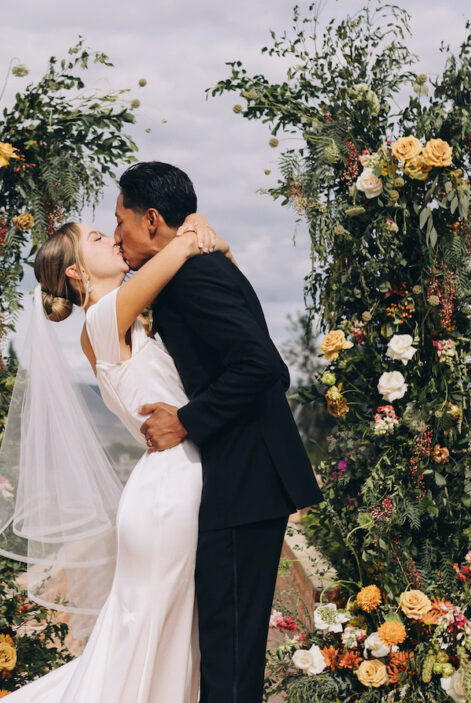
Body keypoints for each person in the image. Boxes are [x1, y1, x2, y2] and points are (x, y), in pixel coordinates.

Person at [0, 211, 233, 703]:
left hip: (171, 484)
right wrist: (193, 230)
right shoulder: (103, 320)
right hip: (168, 493)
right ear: (77, 272)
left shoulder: (126, 321)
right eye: (99, 238)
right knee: (146, 632)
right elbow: (176, 255)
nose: (114, 240)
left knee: (160, 630)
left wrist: (209, 240)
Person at [114, 161, 325, 702]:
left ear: (153, 219)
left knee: (229, 658)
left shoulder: (191, 276)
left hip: (243, 481)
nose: (117, 235)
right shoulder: (187, 267)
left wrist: (186, 420)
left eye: (121, 222)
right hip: (240, 479)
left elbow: (260, 365)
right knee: (228, 651)